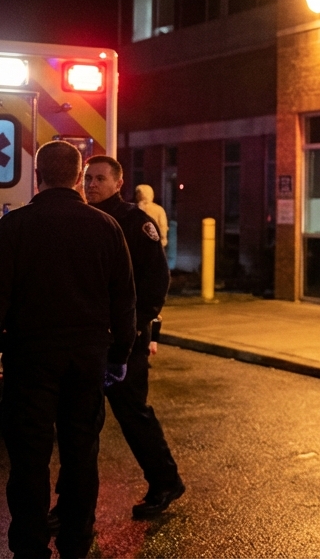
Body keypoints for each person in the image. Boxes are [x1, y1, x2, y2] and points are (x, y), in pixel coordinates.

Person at [0, 141, 137, 558]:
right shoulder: (106, 227)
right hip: (86, 357)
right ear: (79, 177)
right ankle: (77, 539)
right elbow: (124, 298)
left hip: (30, 358)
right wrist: (120, 354)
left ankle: (29, 544)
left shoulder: (13, 227)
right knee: (81, 452)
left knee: (29, 457)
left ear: (38, 175)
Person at [63, 156, 184, 520]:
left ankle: (165, 481)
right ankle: (70, 503)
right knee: (80, 421)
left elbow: (155, 281)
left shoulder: (135, 222)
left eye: (100, 178)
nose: (92, 184)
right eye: (88, 177)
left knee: (132, 414)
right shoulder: (82, 219)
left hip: (124, 340)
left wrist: (134, 328)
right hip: (87, 338)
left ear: (119, 183)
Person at [133, 184, 168, 249]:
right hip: (155, 246)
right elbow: (163, 230)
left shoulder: (134, 209)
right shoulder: (159, 210)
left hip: (137, 248)